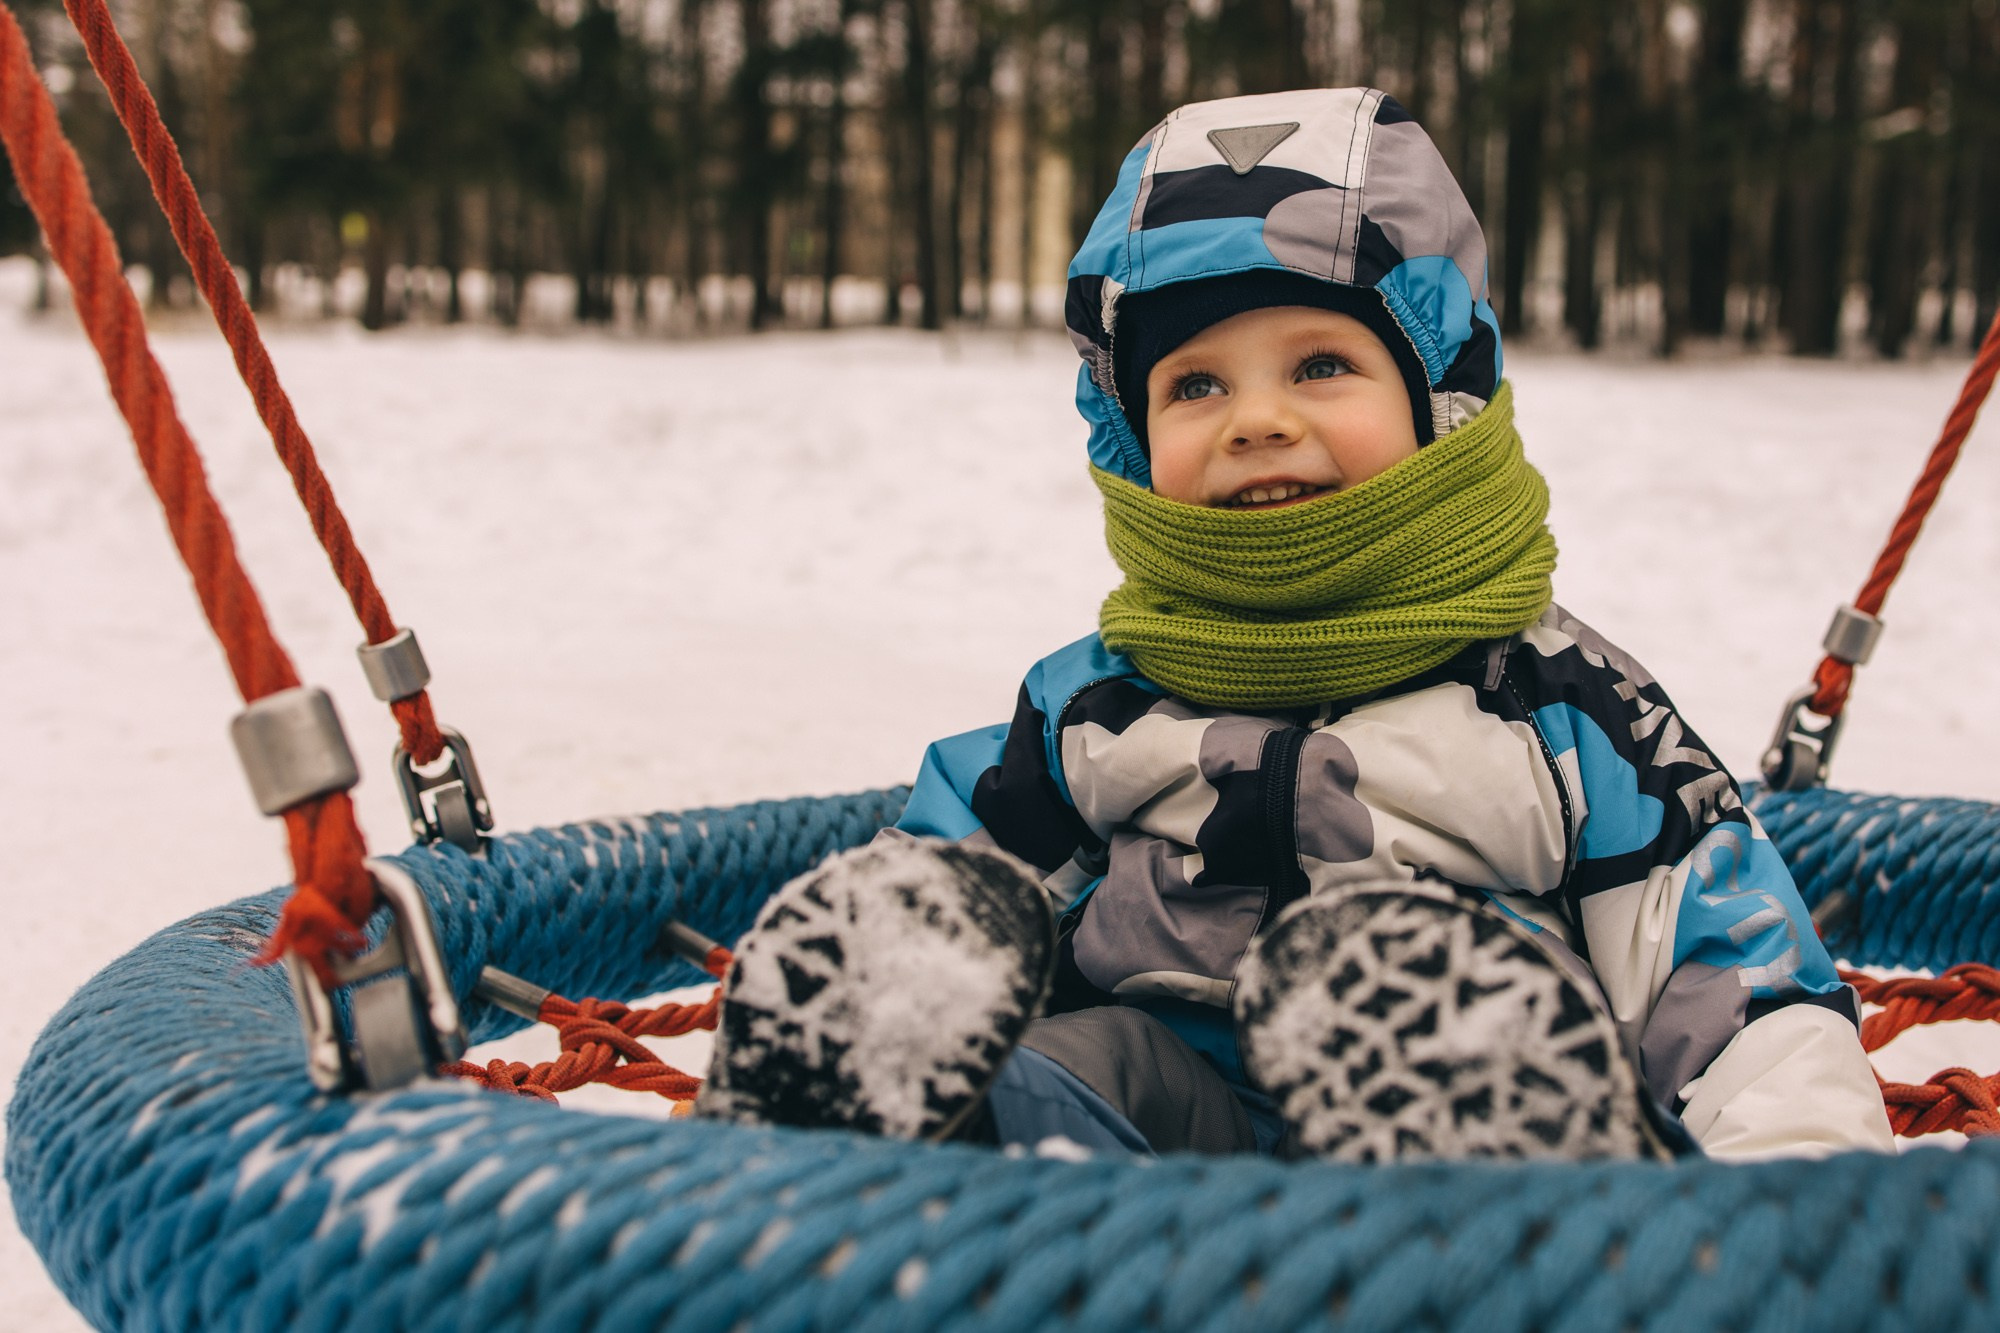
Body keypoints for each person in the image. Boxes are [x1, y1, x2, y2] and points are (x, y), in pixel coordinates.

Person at [697, 87, 1896, 1163]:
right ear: (1131, 434)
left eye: (1319, 364)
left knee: (1452, 1039)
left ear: (1436, 400)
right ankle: (860, 1134)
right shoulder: (1096, 702)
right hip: (1153, 1176)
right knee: (1085, 1053)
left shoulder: (1561, 703)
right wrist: (902, 958)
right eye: (1194, 385)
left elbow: (1732, 980)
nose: (1255, 420)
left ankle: (1503, 1167)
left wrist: (1798, 1206)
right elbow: (963, 878)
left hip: (1476, 1175)